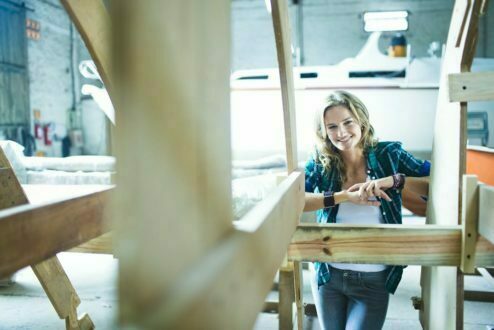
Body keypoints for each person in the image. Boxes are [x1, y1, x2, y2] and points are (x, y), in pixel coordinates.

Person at [304, 90, 430, 330]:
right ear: (323, 132)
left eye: (347, 122)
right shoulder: (321, 162)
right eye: (331, 127)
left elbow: (439, 180)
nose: (341, 133)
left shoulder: (388, 154)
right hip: (327, 274)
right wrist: (344, 196)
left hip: (374, 277)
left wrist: (394, 181)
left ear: (361, 120)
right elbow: (297, 199)